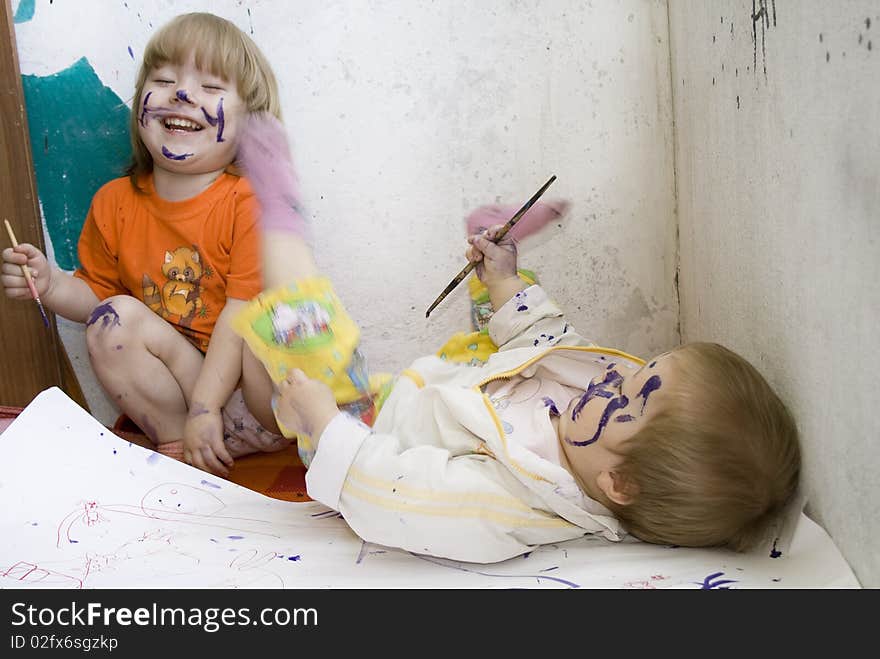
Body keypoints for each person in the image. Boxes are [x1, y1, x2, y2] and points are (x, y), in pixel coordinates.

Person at [232, 122, 801, 565]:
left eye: (624, 400)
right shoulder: (598, 417)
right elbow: (552, 342)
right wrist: (504, 279)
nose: (607, 380)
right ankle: (499, 256)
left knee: (311, 333)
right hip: (458, 382)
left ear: (618, 484)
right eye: (635, 371)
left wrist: (327, 424)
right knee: (531, 338)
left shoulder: (514, 501)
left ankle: (280, 214)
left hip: (369, 431)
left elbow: (401, 497)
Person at [1, 13, 292, 477]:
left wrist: (207, 407)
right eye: (164, 79)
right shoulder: (114, 202)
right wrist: (50, 283)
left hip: (257, 404)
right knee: (111, 319)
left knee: (268, 323)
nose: (182, 94)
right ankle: (183, 449)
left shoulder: (248, 200)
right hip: (184, 394)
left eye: (211, 87)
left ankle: (238, 431)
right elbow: (95, 294)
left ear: (252, 124)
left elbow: (241, 315)